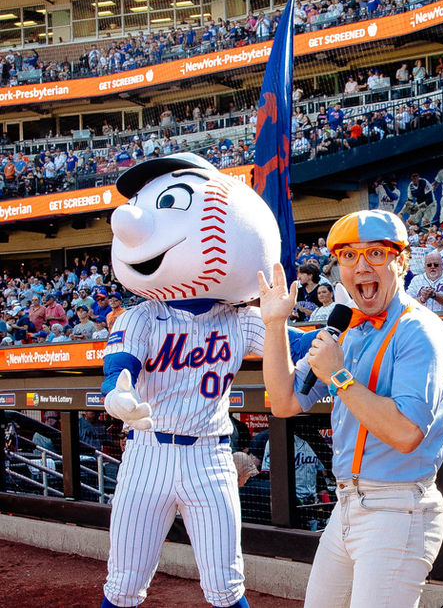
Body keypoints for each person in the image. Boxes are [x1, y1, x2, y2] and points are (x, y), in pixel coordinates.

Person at [99, 153, 284, 608]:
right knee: (123, 583)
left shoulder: (242, 320)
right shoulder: (143, 316)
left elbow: (303, 346)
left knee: (226, 584)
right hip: (148, 453)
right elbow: (120, 366)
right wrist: (118, 394)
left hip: (210, 457)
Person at [258, 209, 443, 608]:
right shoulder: (345, 329)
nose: (361, 266)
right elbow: (283, 402)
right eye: (348, 256)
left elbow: (405, 433)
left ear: (400, 261)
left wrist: (340, 376)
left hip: (398, 507)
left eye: (375, 255)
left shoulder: (421, 331)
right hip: (347, 505)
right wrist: (274, 325)